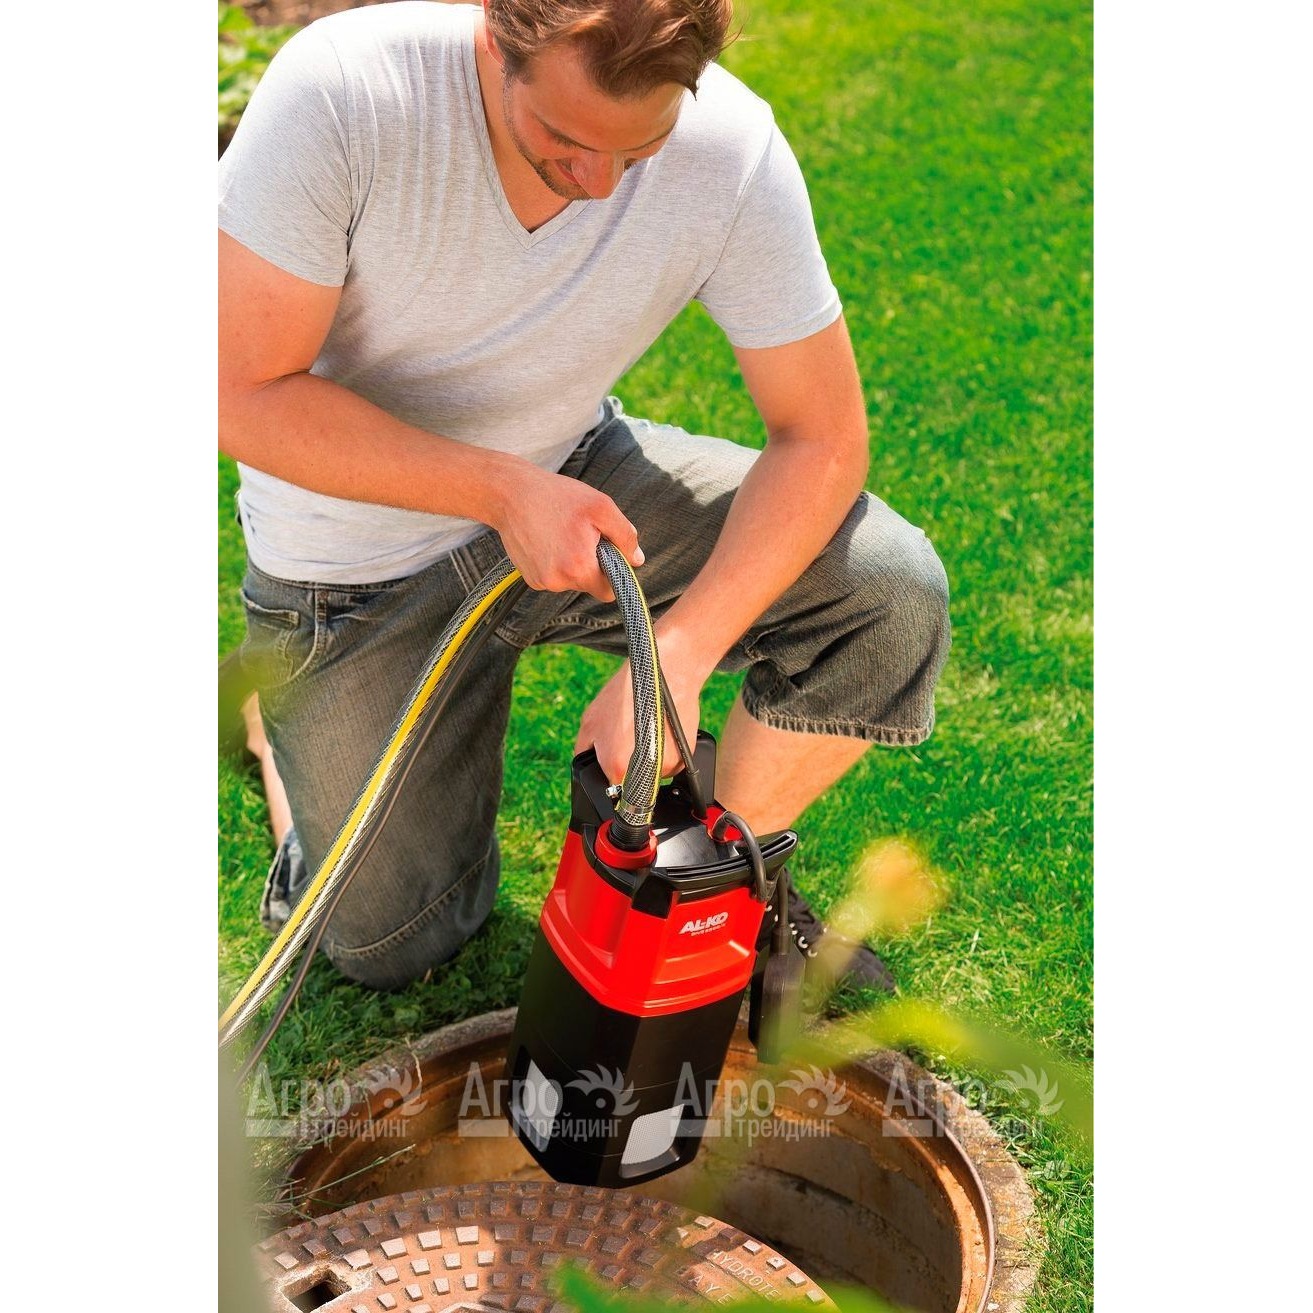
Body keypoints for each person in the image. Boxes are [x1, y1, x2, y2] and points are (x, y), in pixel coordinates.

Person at [218, 0, 950, 994]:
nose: (598, 183)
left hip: (572, 481)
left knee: (885, 591)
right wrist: (498, 490)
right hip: (352, 569)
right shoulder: (347, 92)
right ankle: (277, 732)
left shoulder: (730, 151)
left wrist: (681, 652)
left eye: (638, 149)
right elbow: (238, 392)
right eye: (563, 140)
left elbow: (823, 439)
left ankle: (718, 891)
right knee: (393, 944)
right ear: (495, 36)